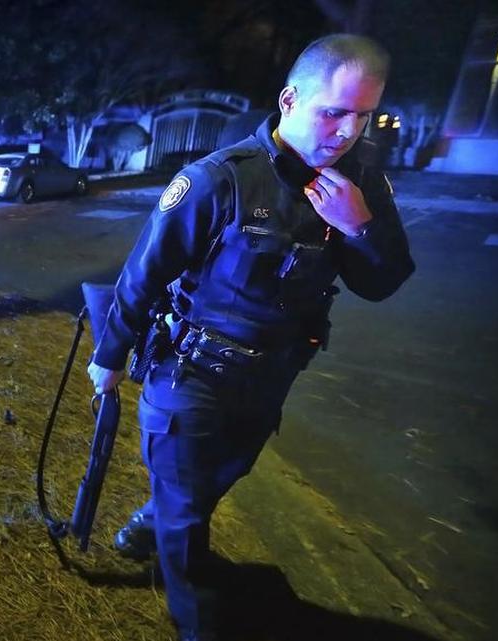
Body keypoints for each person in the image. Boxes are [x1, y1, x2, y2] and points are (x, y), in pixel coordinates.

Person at [87, 34, 415, 641]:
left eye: (363, 115)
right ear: (290, 99)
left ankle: (150, 522)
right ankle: (197, 624)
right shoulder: (219, 180)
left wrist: (359, 226)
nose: (347, 131)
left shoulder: (361, 179)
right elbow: (145, 269)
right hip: (191, 377)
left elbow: (386, 280)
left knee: (221, 479)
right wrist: (110, 355)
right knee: (189, 527)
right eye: (334, 111)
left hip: (271, 379)